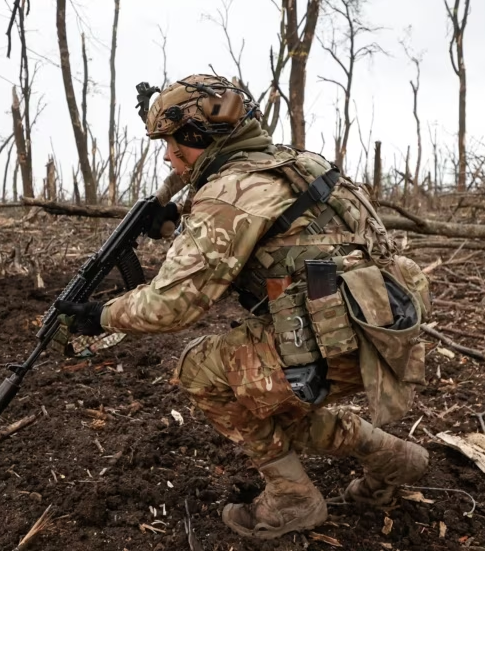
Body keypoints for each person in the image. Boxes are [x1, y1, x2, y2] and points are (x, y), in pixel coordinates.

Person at [56, 74, 433, 540]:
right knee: (270, 408)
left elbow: (174, 305)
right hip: (386, 332)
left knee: (201, 369)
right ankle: (391, 458)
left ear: (199, 138)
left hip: (332, 343)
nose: (168, 156)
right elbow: (271, 239)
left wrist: (101, 315)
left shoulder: (229, 193)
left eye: (174, 144)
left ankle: (292, 497)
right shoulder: (297, 163)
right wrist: (176, 220)